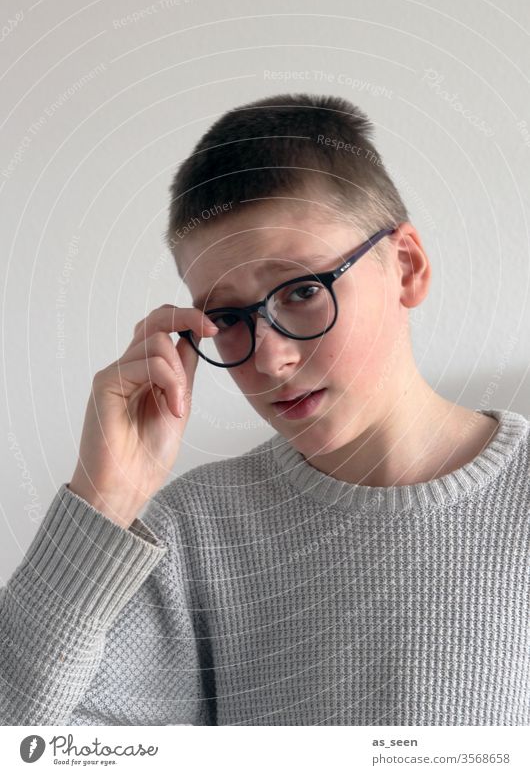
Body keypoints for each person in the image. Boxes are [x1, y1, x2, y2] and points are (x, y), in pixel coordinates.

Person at [1, 93, 528, 726]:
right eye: (226, 317)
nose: (271, 359)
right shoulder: (191, 538)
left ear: (407, 266)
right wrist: (104, 499)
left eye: (304, 290)